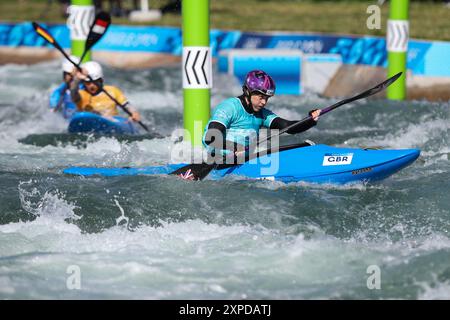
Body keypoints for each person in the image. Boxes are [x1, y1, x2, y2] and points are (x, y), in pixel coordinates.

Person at [203, 70, 321, 162]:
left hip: (245, 160)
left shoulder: (262, 114)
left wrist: (310, 120)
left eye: (266, 98)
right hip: (219, 160)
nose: (264, 102)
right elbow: (211, 137)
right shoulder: (229, 107)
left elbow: (287, 127)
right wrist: (235, 146)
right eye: (261, 97)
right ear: (247, 92)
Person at [70, 61, 141, 122]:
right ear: (83, 82)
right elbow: (73, 93)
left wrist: (134, 113)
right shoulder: (81, 94)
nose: (91, 86)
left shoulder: (113, 91)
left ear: (101, 80)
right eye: (88, 83)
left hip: (111, 123)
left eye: (94, 82)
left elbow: (127, 105)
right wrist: (76, 79)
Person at [49, 55, 81, 119]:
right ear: (64, 75)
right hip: (67, 120)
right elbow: (53, 107)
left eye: (73, 74)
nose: (71, 76)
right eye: (68, 74)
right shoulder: (60, 91)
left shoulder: (85, 87)